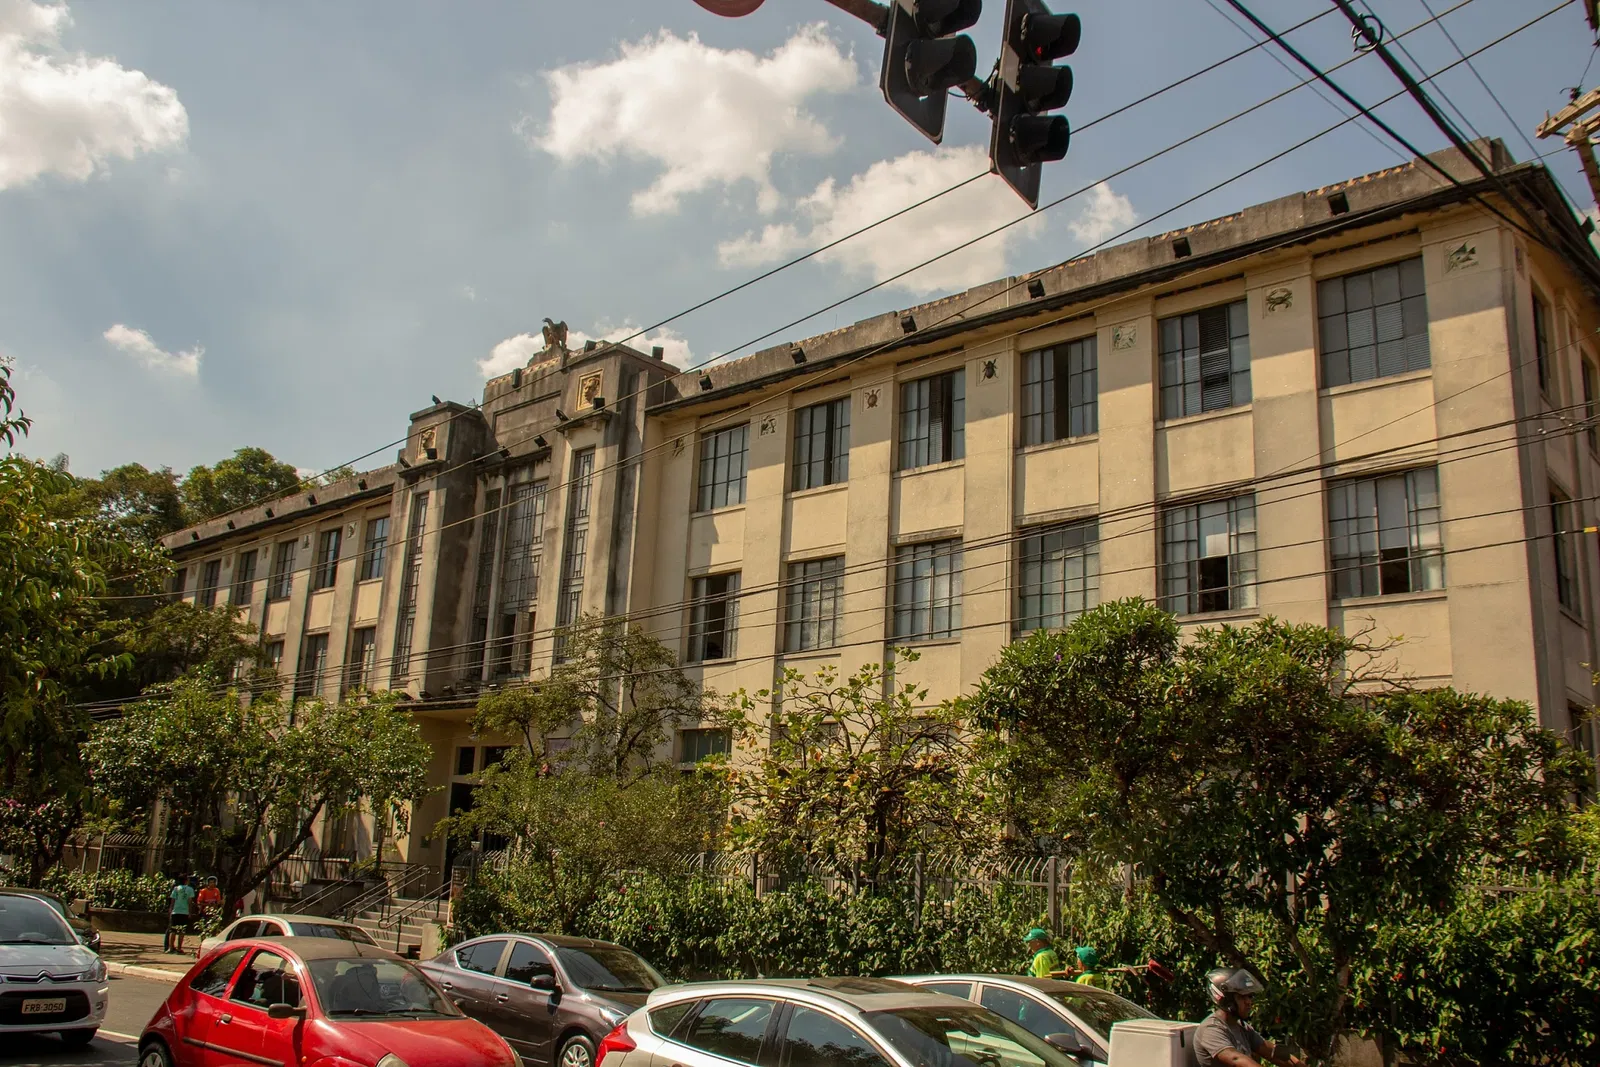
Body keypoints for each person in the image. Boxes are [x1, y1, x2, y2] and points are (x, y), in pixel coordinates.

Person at [1194, 968, 1305, 1067]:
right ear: (1227, 1000)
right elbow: (1236, 1059)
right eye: (1242, 997)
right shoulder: (1211, 1029)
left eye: (1250, 996)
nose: (1249, 1002)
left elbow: (1271, 1051)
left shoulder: (1241, 1026)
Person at [165, 874, 197, 955]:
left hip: (175, 912)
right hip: (184, 912)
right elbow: (190, 902)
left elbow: (172, 901)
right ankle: (179, 948)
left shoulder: (176, 889)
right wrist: (190, 912)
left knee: (173, 931)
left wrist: (170, 910)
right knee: (182, 931)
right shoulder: (190, 889)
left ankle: (171, 947)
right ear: (186, 880)